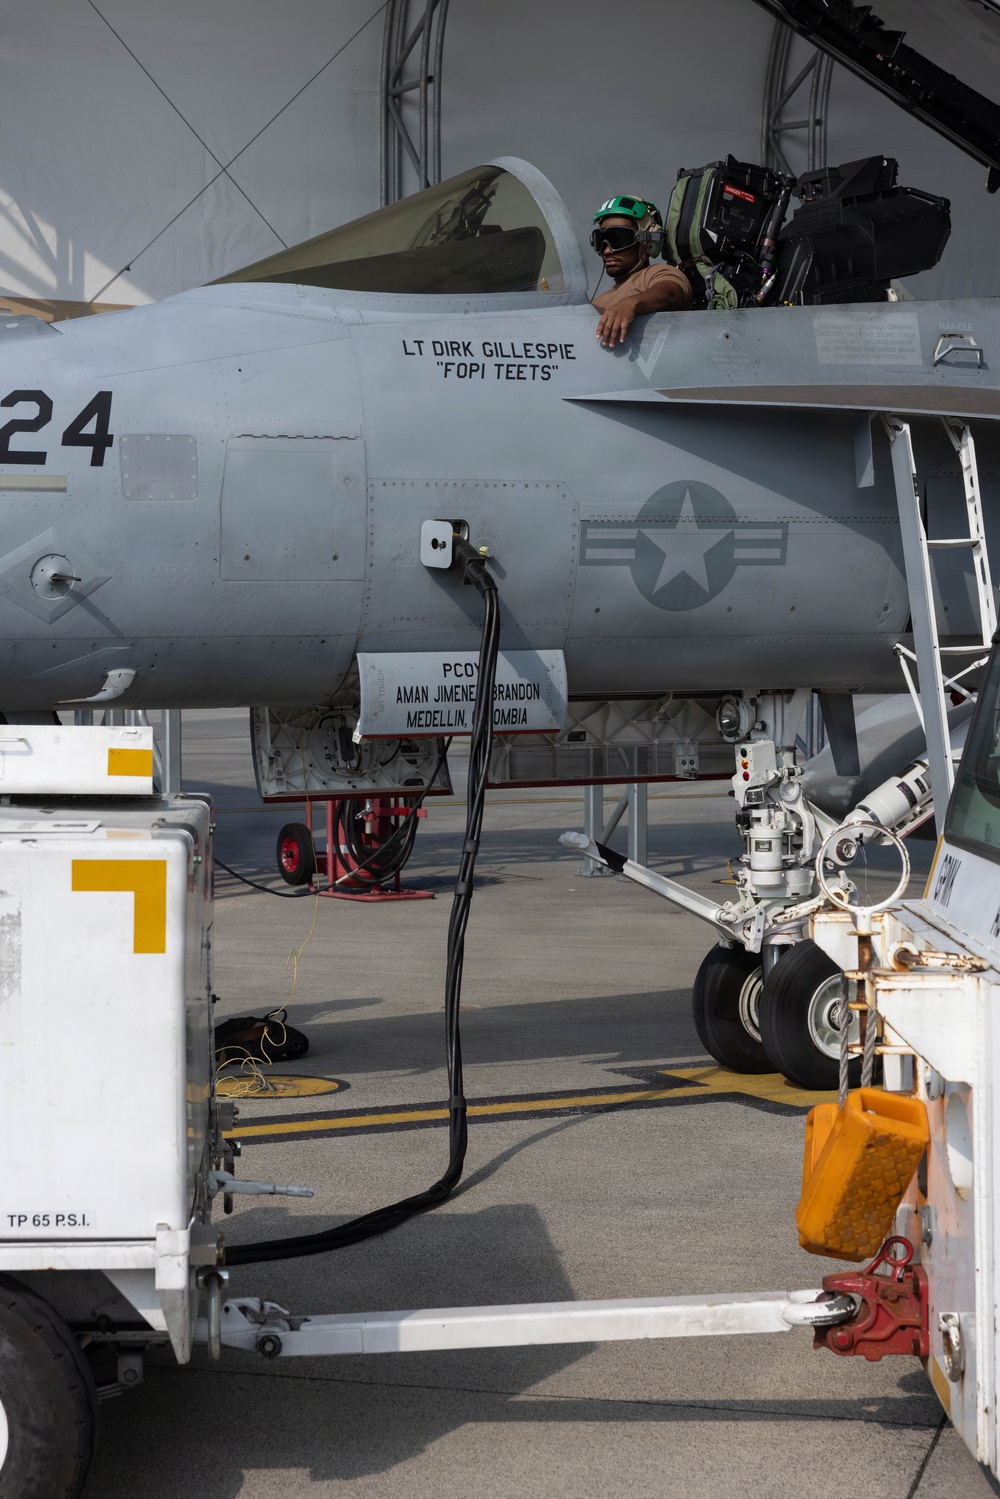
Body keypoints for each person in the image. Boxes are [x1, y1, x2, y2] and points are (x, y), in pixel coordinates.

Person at [590, 194, 691, 347]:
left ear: (647, 241)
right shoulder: (598, 303)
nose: (607, 250)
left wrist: (631, 304)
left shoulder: (656, 274)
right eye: (601, 240)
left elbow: (670, 293)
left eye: (618, 239)